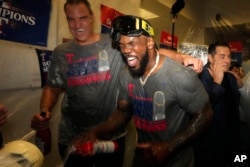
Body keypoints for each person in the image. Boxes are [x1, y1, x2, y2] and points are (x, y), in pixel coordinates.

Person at [30, 1, 204, 167]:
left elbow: (150, 51)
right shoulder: (62, 52)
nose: (77, 24)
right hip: (75, 135)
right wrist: (46, 112)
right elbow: (52, 87)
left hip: (113, 138)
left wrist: (182, 57)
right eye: (71, 19)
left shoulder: (110, 44)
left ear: (91, 17)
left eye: (82, 18)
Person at [76, 15, 213, 167]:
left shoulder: (180, 76)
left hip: (176, 162)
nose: (126, 50)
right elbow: (122, 112)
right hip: (143, 159)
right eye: (122, 45)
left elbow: (205, 115)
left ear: (149, 43)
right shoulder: (126, 75)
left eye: (132, 43)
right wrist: (96, 132)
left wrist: (169, 147)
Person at [194, 41, 242, 167]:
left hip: (232, 137)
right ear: (210, 57)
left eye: (229, 56)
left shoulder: (230, 77)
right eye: (222, 56)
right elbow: (201, 109)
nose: (227, 60)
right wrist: (216, 83)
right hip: (211, 142)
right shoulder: (199, 78)